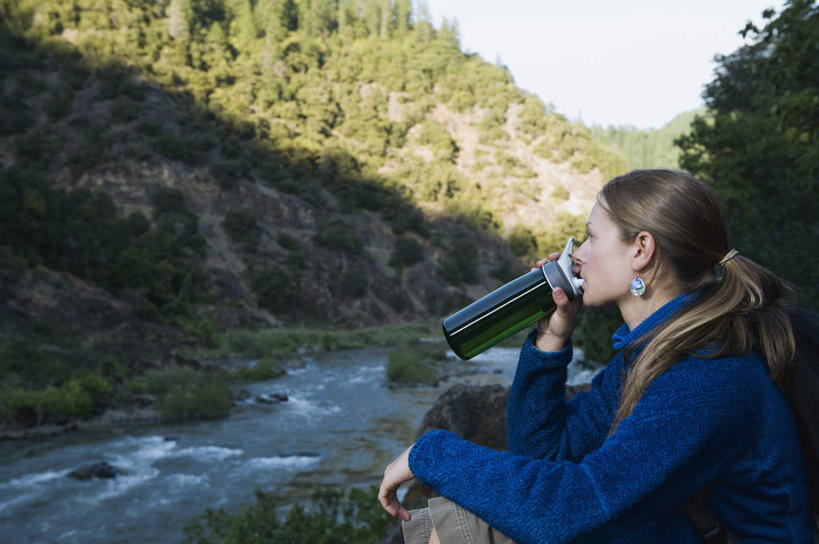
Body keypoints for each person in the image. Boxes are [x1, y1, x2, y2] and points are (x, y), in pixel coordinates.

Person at [378, 169, 813, 543]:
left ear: (641, 250)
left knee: (465, 528)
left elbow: (568, 511)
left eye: (590, 237)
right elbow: (542, 457)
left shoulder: (708, 374)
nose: (577, 255)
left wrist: (429, 453)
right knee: (467, 522)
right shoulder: (651, 354)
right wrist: (551, 338)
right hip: (676, 531)